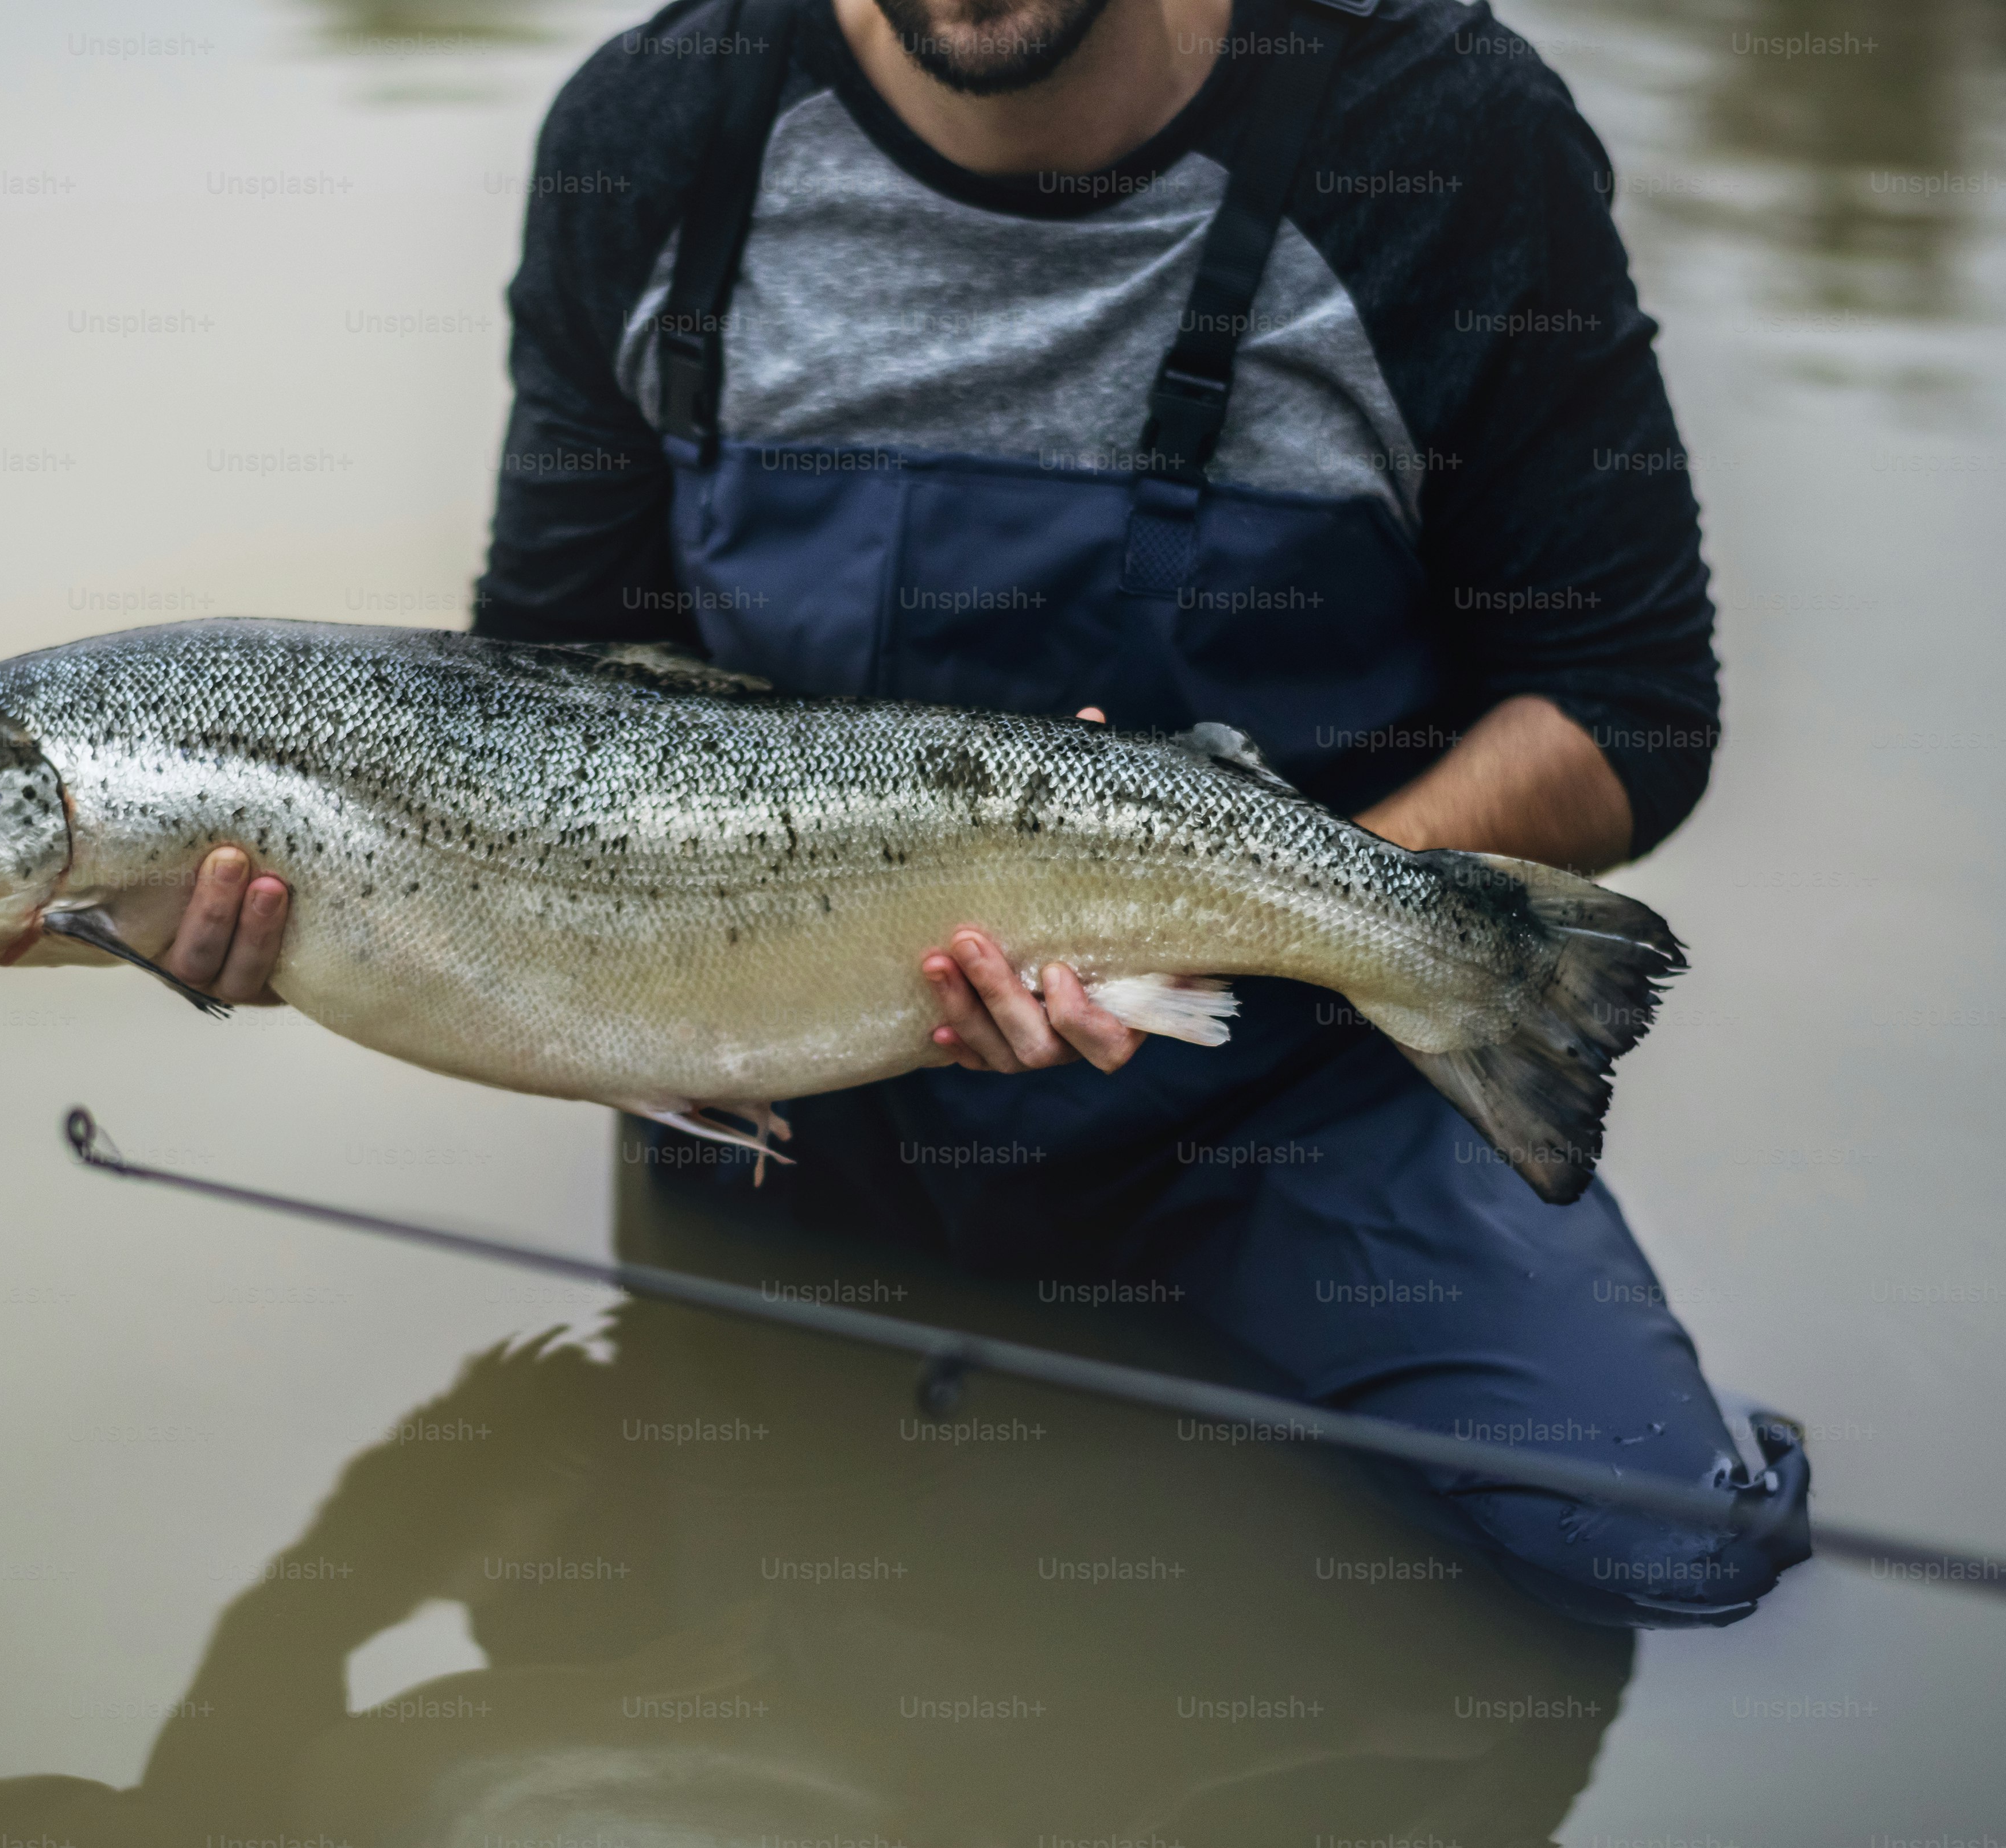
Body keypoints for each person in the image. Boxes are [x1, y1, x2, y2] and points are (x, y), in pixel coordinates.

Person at [152, 0, 1807, 1624]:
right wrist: (295, 921)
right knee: (707, 1662)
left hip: (1288, 1092)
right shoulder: (659, 136)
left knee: (1675, 1551)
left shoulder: (1434, 133)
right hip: (775, 1095)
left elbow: (1630, 699)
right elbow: (533, 706)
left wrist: (1222, 896)